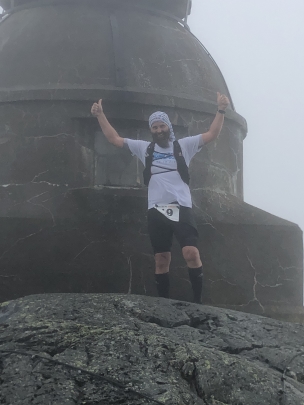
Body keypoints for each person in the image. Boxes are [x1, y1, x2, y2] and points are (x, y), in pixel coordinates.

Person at [90, 94, 230, 302]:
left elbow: (212, 134)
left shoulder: (184, 146)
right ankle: (163, 303)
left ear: (168, 127)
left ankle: (198, 301)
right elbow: (114, 139)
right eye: (154, 127)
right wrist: (100, 115)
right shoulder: (145, 149)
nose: (158, 130)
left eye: (161, 126)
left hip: (180, 206)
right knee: (161, 259)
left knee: (191, 253)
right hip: (156, 209)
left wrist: (221, 110)